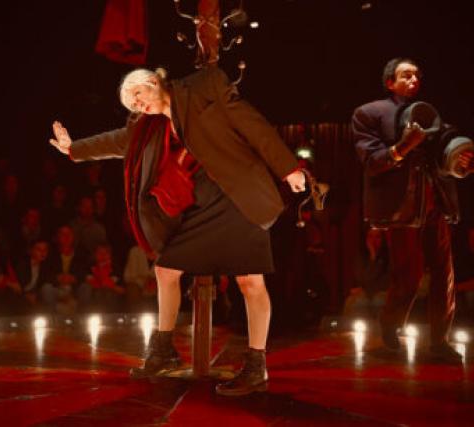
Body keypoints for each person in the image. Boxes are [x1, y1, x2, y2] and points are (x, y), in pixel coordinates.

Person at [49, 64, 305, 396]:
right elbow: (117, 141)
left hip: (238, 197)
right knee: (166, 269)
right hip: (203, 205)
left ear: (153, 82)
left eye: (137, 94)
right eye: (130, 103)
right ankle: (163, 350)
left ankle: (257, 365)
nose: (136, 104)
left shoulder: (203, 88)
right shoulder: (148, 126)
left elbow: (251, 123)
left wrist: (288, 168)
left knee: (250, 282)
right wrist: (73, 149)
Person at [351, 58, 474, 363]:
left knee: (444, 274)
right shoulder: (369, 113)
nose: (414, 80)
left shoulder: (431, 115)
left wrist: (465, 163)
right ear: (389, 82)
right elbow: (371, 161)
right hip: (402, 207)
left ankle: (440, 341)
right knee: (408, 274)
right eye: (406, 75)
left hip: (435, 203)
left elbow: (449, 152)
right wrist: (403, 147)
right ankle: (390, 325)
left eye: (417, 76)